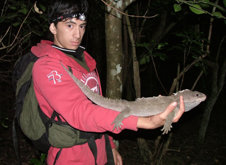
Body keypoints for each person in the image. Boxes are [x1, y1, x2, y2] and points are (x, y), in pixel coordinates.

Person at [31, 0, 185, 164]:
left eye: (82, 26)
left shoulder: (85, 61)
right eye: (70, 25)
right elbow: (79, 112)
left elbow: (101, 107)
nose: (78, 34)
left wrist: (110, 145)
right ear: (53, 28)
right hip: (71, 157)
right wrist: (145, 121)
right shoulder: (46, 66)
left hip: (100, 152)